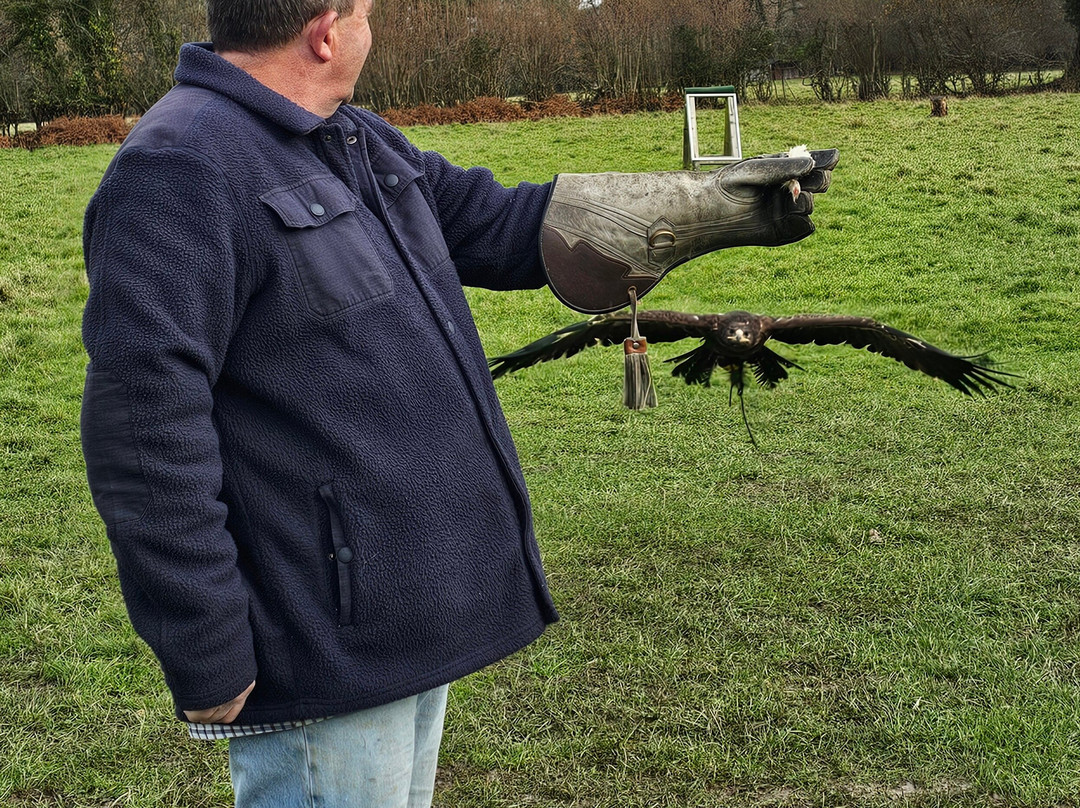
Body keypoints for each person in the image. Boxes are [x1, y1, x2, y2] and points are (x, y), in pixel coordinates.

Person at [79, 1, 837, 805]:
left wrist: (711, 207)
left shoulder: (350, 137)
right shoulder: (179, 168)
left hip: (397, 612)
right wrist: (206, 648)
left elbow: (502, 224)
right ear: (326, 31)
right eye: (366, 11)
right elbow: (142, 429)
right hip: (320, 635)